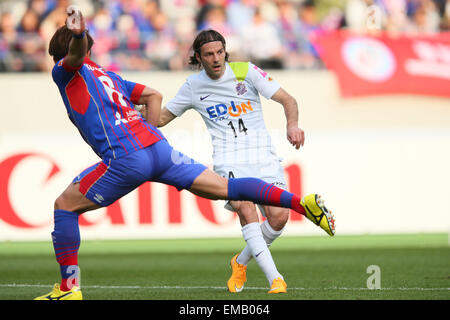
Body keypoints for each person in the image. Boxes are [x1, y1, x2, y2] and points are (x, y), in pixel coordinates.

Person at [34, 8, 335, 300]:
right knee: (228, 189)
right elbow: (153, 95)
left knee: (65, 206)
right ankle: (300, 204)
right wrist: (148, 135)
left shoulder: (66, 71)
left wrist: (77, 33)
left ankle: (68, 288)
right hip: (160, 150)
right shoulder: (111, 77)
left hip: (127, 157)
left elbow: (73, 57)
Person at [158, 29, 335, 294]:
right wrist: (135, 109)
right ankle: (276, 278)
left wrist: (293, 124)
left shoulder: (245, 71)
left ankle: (239, 262)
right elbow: (161, 119)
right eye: (209, 54)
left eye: (220, 52)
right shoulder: (193, 86)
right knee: (245, 207)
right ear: (199, 57)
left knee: (278, 218)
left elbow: (288, 99)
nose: (216, 58)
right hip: (229, 160)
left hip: (263, 156)